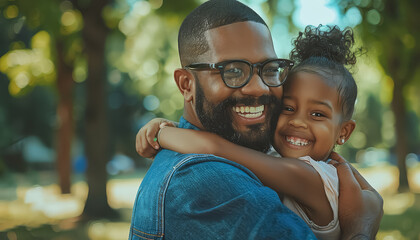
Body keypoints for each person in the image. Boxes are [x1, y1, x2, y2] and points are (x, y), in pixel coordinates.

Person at [130, 1, 383, 239]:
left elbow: (219, 149)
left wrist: (162, 132)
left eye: (269, 69)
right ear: (186, 84)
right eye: (233, 71)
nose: (258, 88)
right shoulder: (208, 184)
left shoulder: (296, 170)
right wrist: (361, 228)